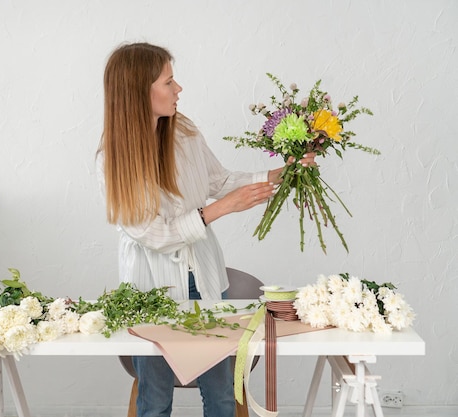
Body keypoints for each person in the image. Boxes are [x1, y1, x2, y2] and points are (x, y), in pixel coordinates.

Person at [96, 42, 315, 417]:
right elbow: (154, 236)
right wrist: (219, 210)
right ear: (138, 92)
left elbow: (219, 180)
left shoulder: (183, 131)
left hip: (207, 280)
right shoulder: (113, 161)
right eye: (168, 81)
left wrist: (278, 174)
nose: (178, 88)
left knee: (222, 396)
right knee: (154, 400)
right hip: (154, 292)